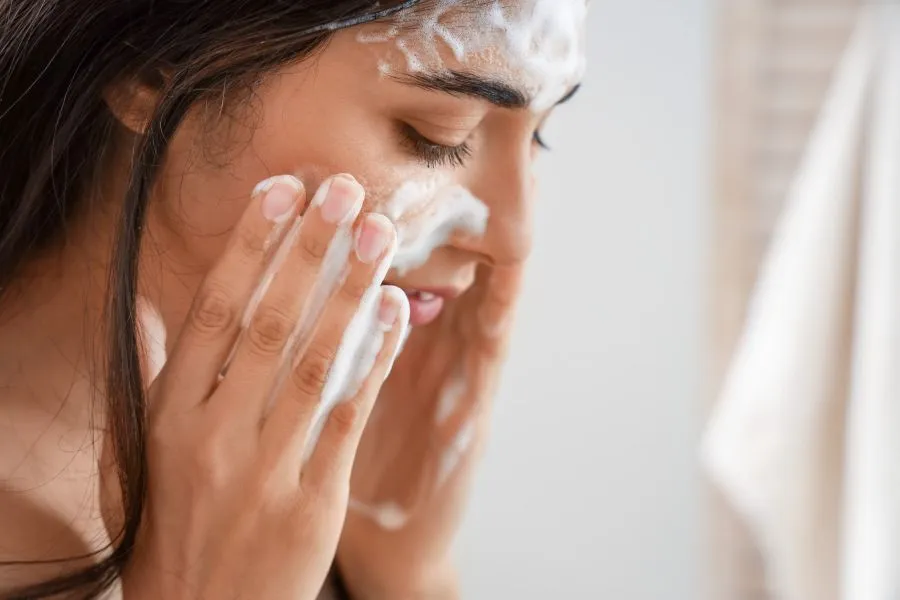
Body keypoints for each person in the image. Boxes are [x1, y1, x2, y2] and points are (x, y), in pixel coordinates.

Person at [0, 0, 586, 597]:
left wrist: (397, 574)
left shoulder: (315, 503)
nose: (513, 240)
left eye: (540, 133)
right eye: (437, 136)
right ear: (150, 68)